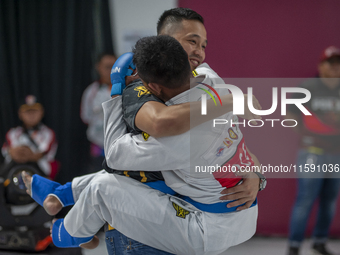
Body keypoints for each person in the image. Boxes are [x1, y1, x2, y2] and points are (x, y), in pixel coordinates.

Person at [23, 8, 265, 255]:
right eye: (192, 41)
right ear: (166, 42)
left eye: (203, 45)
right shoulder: (204, 84)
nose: (199, 52)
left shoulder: (196, 84)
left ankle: (69, 232)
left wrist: (116, 91)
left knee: (106, 186)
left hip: (197, 222)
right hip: (217, 209)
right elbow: (167, 122)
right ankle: (62, 196)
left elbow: (125, 150)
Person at [287, 46, 340, 255]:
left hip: (336, 154)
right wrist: (307, 134)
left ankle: (319, 241)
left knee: (329, 201)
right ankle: (294, 247)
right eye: (331, 63)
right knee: (305, 199)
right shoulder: (308, 87)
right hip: (312, 152)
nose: (336, 67)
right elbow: (290, 115)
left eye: (338, 63)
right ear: (321, 66)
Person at [2, 95, 58, 179]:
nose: (31, 115)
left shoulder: (48, 133)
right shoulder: (12, 133)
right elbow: (7, 151)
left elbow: (39, 155)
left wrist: (28, 155)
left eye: (35, 111)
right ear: (20, 114)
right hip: (14, 174)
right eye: (27, 111)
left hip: (40, 175)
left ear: (41, 112)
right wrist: (14, 152)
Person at [80, 53, 116, 172]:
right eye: (107, 67)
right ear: (98, 67)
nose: (111, 70)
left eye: (114, 66)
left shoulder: (126, 89)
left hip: (122, 147)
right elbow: (86, 117)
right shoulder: (91, 91)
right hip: (99, 148)